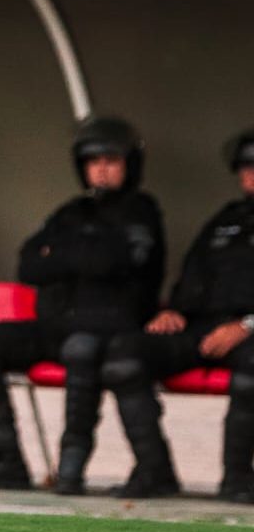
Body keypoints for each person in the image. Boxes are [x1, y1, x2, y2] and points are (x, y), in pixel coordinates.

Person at [0, 117, 166, 495]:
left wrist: (65, 254)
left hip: (108, 333)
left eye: (111, 160)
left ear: (129, 164)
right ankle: (8, 459)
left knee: (82, 346)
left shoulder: (142, 211)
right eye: (93, 161)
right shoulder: (71, 211)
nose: (100, 169)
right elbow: (29, 265)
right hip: (55, 326)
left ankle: (71, 468)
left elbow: (118, 263)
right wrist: (88, 254)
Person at [101, 127, 254, 503]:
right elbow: (193, 275)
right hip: (202, 326)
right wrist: (172, 311)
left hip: (248, 332)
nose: (250, 174)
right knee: (124, 357)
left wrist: (246, 325)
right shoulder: (226, 219)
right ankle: (155, 472)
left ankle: (237, 480)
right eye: (246, 166)